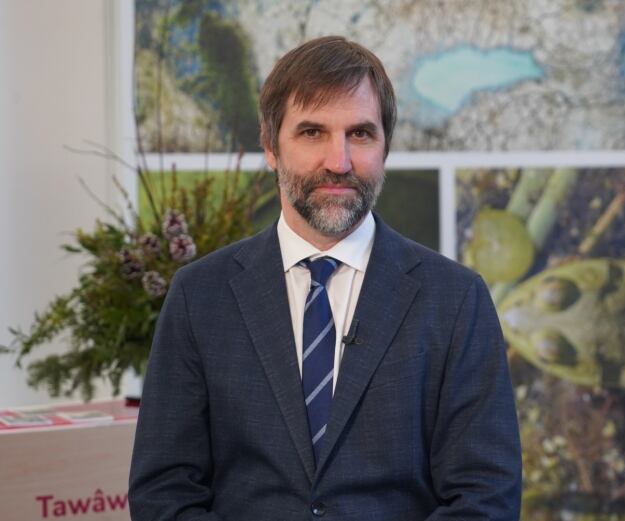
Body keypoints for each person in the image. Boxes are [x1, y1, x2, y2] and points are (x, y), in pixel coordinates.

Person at [129, 35, 522, 521]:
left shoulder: (457, 300)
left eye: (360, 134)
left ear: (385, 146)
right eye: (313, 133)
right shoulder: (199, 297)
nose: (339, 162)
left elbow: (487, 497)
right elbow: (163, 492)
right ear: (271, 146)